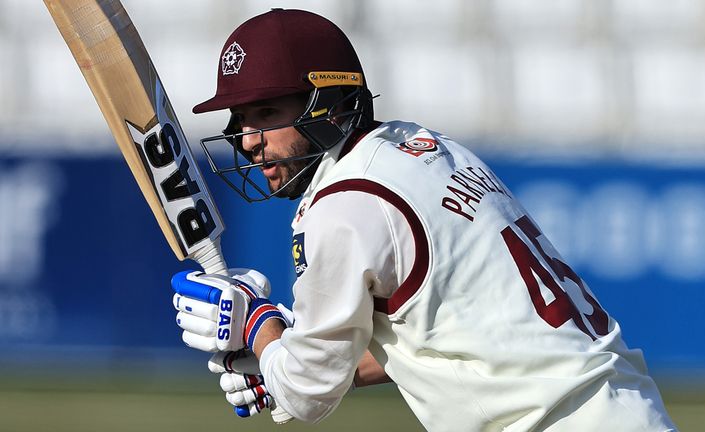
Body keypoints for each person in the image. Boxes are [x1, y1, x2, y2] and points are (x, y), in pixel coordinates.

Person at [171, 8, 677, 431]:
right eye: (240, 121)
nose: (248, 141)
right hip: (624, 406)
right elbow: (446, 334)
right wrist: (291, 356)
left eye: (266, 114)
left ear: (326, 104)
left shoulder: (345, 201)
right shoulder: (427, 149)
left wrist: (257, 323)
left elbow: (306, 393)